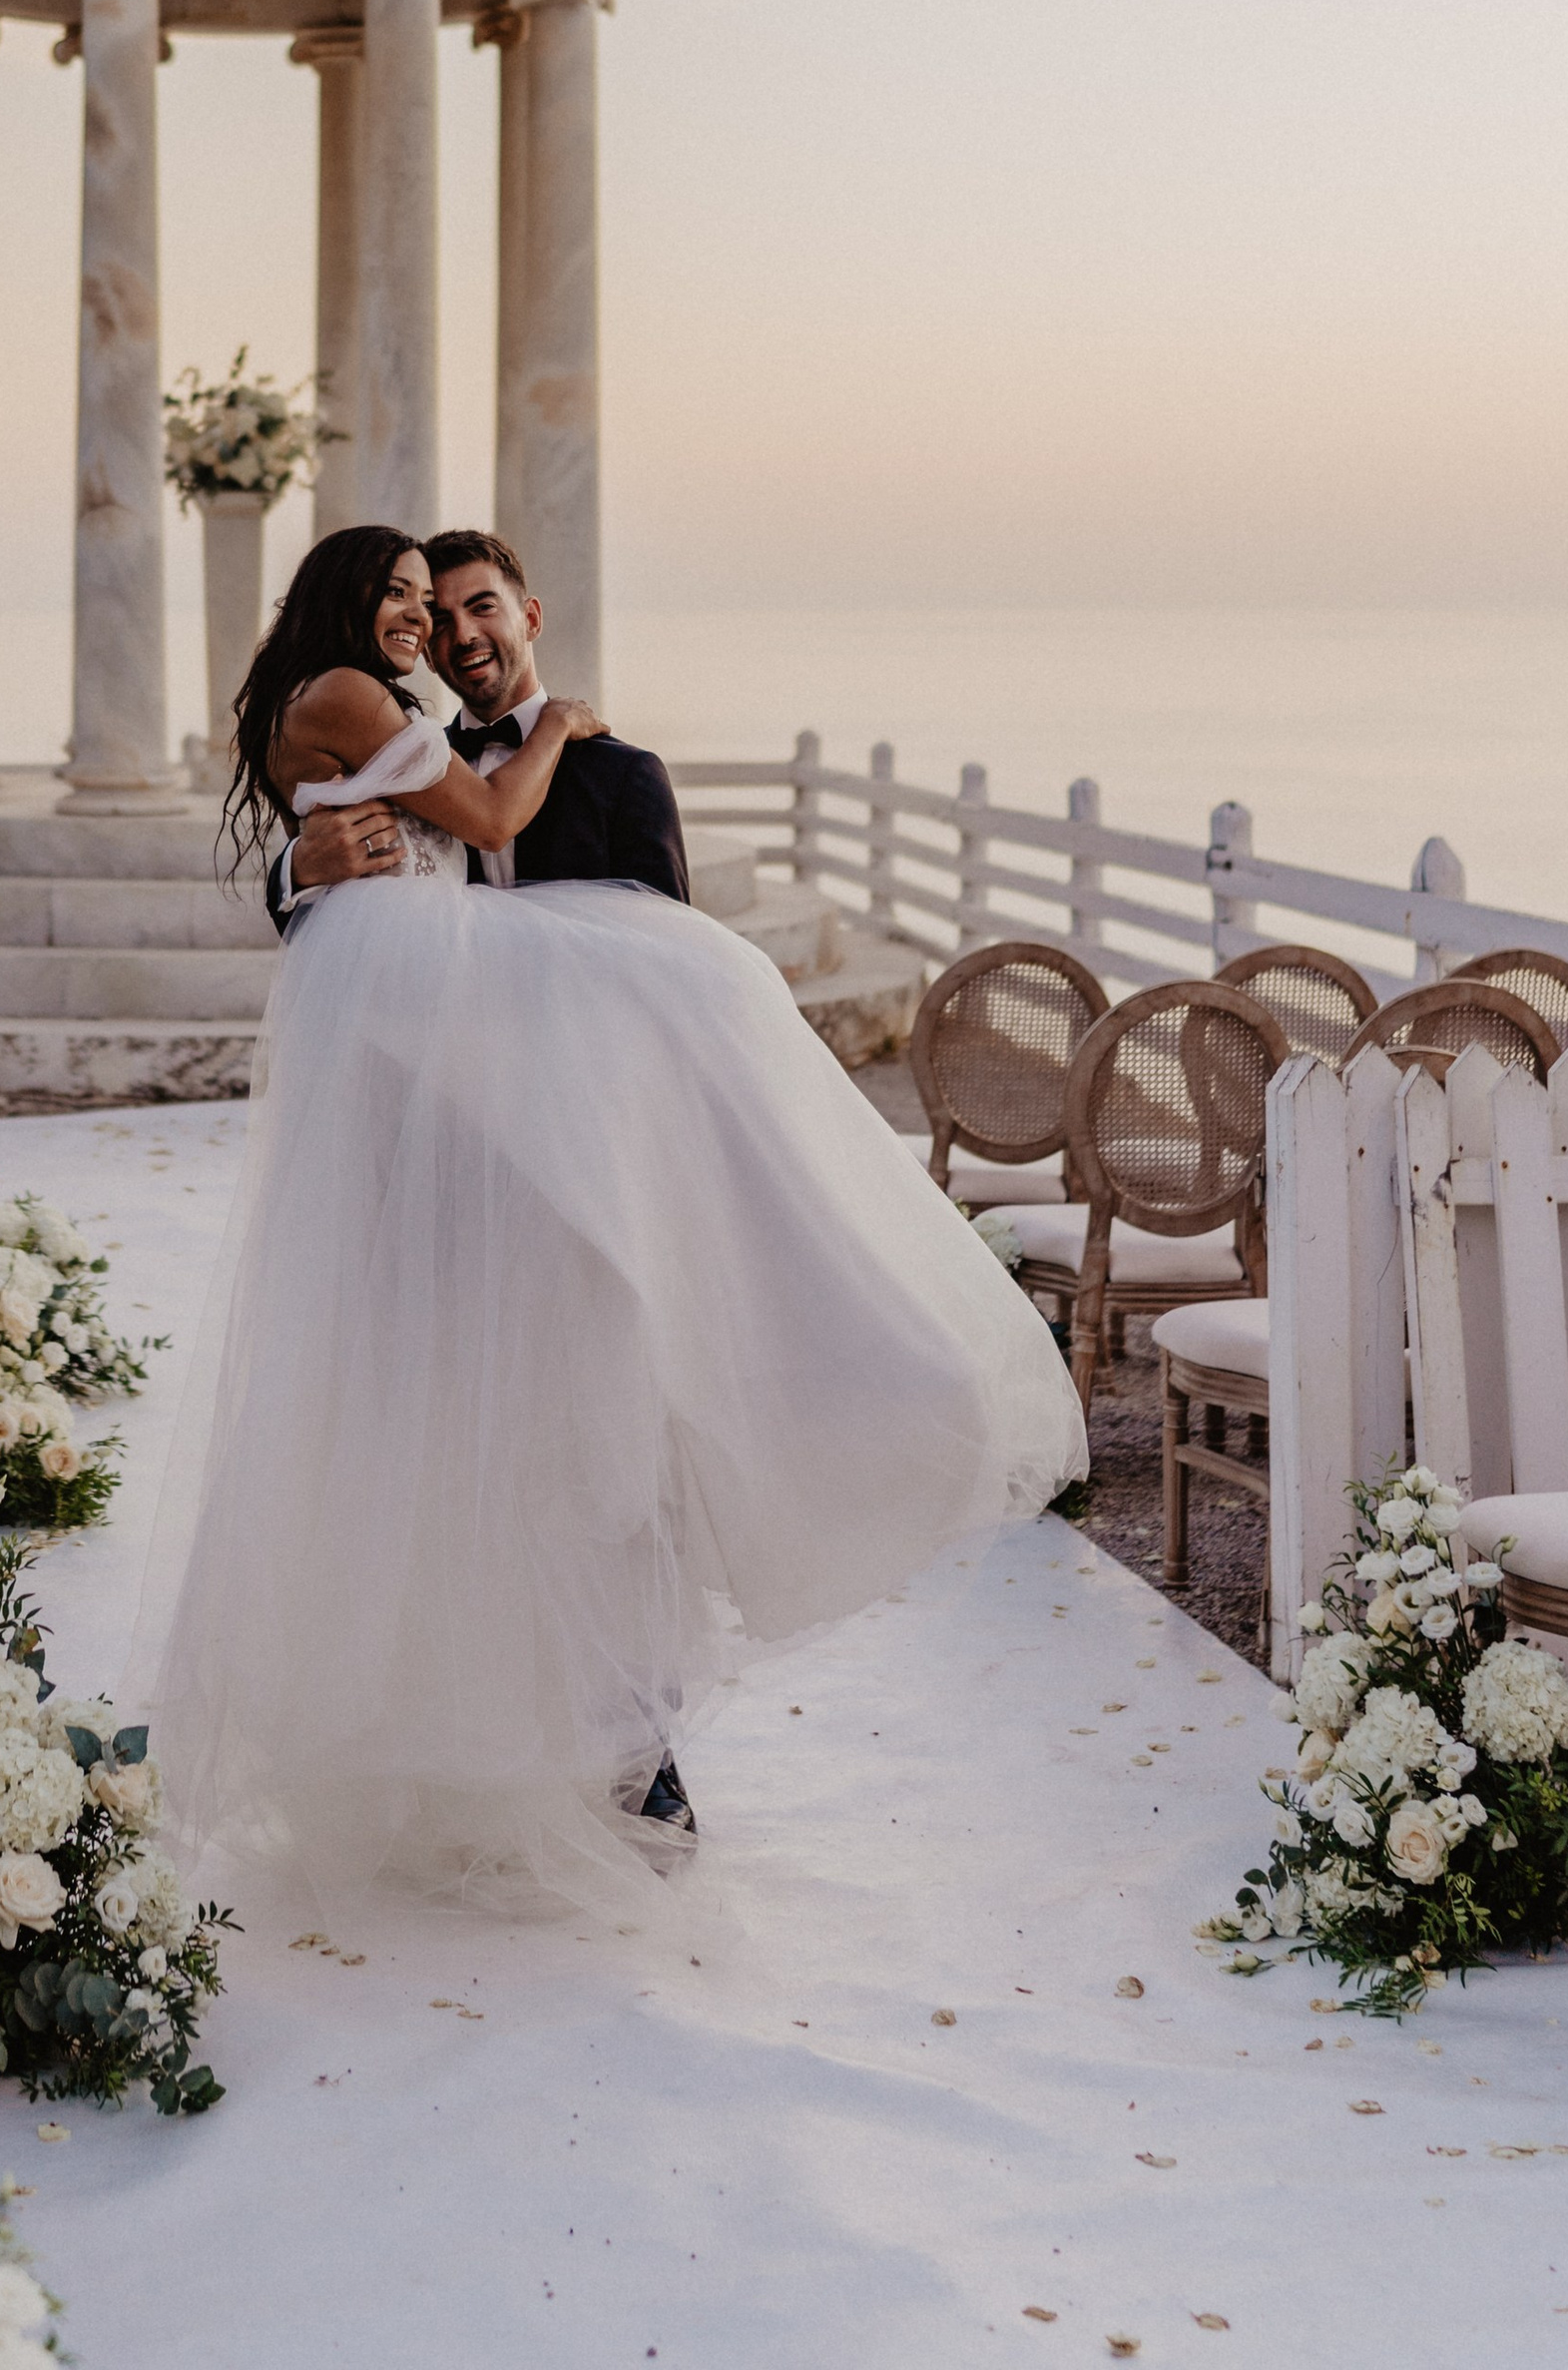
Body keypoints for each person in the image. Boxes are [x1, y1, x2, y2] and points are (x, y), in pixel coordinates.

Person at [139, 522, 1086, 1924]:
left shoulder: (611, 775)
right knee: (464, 1475)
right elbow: (372, 915)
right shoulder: (416, 753)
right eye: (418, 607)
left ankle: (638, 1751)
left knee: (615, 1471)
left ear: (526, 613)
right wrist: (301, 869)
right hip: (449, 1181)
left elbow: (657, 987)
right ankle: (473, 1759)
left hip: (595, 1203)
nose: (449, 630)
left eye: (470, 609)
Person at [261, 527, 688, 919]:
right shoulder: (403, 760)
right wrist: (297, 871)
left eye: (482, 607)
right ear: (427, 650)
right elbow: (326, 927)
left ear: (531, 619)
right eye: (441, 618)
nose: (464, 635)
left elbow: (666, 941)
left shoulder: (625, 775)